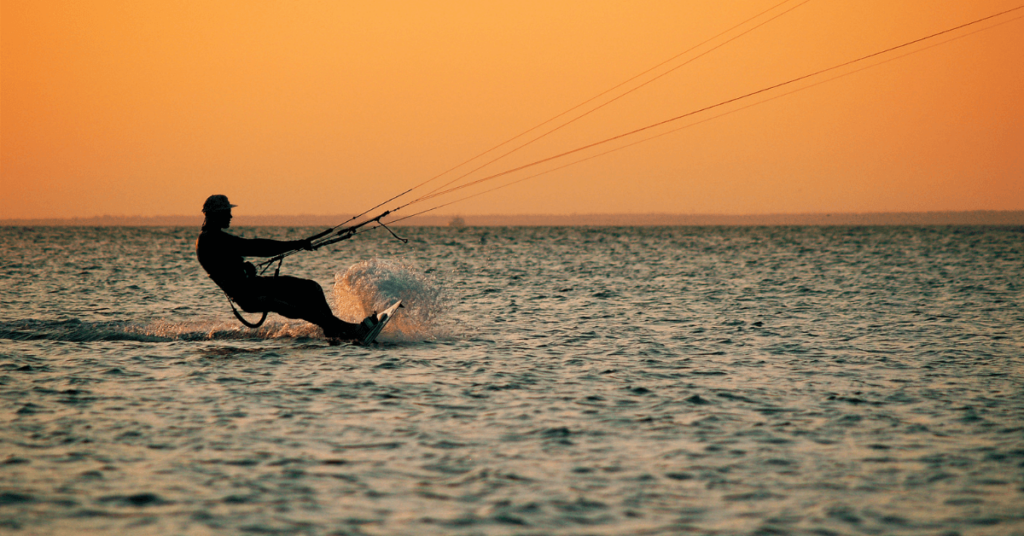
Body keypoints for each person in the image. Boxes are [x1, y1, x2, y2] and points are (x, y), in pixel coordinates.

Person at [196, 194, 375, 339]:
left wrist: (244, 268)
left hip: (255, 285)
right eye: (227, 212)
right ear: (216, 214)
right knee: (299, 308)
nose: (230, 216)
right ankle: (349, 330)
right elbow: (257, 247)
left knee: (311, 288)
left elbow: (229, 263)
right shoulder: (210, 239)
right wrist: (295, 244)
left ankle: (333, 330)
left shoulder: (213, 237)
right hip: (249, 296)